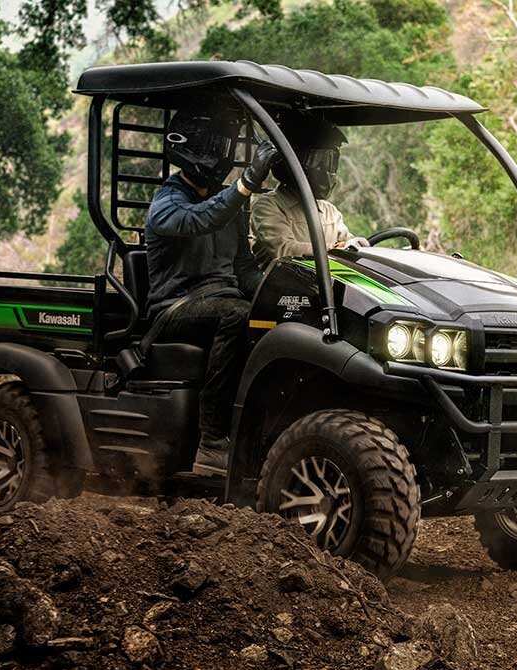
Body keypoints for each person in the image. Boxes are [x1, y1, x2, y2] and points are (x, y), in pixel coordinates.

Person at [144, 109, 279, 475]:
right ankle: (213, 443)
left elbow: (245, 269)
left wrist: (279, 299)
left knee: (273, 315)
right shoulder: (166, 203)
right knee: (237, 315)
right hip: (175, 309)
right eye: (216, 146)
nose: (222, 155)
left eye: (225, 146)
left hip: (224, 301)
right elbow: (201, 218)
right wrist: (246, 183)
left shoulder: (226, 203)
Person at [249, 118, 369, 267]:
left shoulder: (329, 211)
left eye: (331, 162)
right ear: (294, 163)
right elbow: (284, 251)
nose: (326, 171)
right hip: (284, 281)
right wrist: (336, 249)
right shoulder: (268, 206)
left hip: (323, 281)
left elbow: (349, 244)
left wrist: (357, 245)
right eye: (319, 162)